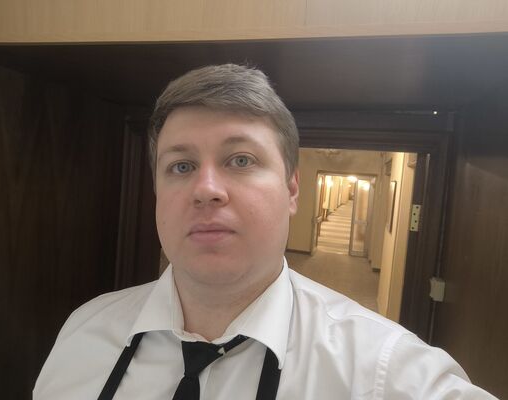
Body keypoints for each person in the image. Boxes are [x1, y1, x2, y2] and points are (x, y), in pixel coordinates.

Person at [33, 64, 497, 399]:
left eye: (241, 160)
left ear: (292, 190)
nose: (206, 189)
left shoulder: (382, 371)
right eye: (181, 166)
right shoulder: (84, 333)